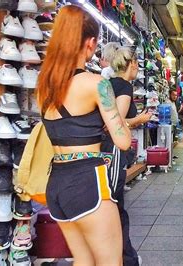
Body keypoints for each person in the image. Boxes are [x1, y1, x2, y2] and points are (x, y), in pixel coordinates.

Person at [37, 5, 131, 264]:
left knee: (83, 261)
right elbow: (122, 140)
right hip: (88, 181)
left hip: (57, 184)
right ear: (90, 43)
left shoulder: (44, 87)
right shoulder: (96, 84)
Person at [101, 42, 153, 266]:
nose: (138, 68)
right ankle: (124, 258)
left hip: (103, 150)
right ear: (130, 64)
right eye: (137, 64)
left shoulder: (108, 84)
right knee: (114, 204)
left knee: (109, 204)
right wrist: (139, 120)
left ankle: (120, 255)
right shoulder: (123, 86)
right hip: (112, 150)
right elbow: (115, 122)